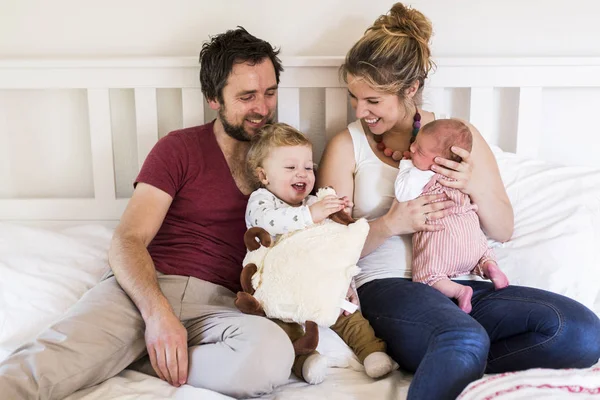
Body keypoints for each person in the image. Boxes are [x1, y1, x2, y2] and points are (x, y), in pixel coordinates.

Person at [316, 3, 600, 399]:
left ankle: (453, 357)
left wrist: (474, 183)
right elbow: (325, 252)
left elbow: (503, 228)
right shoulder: (347, 146)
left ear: (410, 90)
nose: (360, 110)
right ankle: (455, 350)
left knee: (581, 331)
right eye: (354, 97)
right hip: (389, 287)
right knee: (462, 337)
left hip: (465, 283)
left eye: (373, 101)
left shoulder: (458, 138)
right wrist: (389, 224)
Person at [0, 27, 295, 399]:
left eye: (269, 93)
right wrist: (157, 315)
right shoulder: (179, 148)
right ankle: (142, 344)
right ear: (213, 98)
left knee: (272, 357)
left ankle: (141, 357)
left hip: (221, 307)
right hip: (146, 290)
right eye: (247, 96)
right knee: (36, 371)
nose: (263, 108)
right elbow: (128, 239)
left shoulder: (288, 161)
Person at [244, 122, 397, 384]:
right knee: (283, 327)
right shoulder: (261, 200)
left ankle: (371, 353)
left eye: (308, 167)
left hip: (316, 279)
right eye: (290, 167)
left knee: (347, 314)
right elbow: (270, 222)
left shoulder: (312, 202)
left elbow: (334, 246)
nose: (301, 174)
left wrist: (338, 215)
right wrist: (311, 215)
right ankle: (306, 361)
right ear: (264, 175)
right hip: (281, 285)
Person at [395, 119, 509, 313]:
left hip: (443, 241)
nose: (412, 148)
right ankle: (490, 266)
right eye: (415, 143)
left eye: (419, 151)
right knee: (485, 253)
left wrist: (406, 165)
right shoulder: (460, 177)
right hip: (473, 242)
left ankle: (459, 291)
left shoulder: (421, 174)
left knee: (427, 276)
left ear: (441, 162)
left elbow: (402, 194)